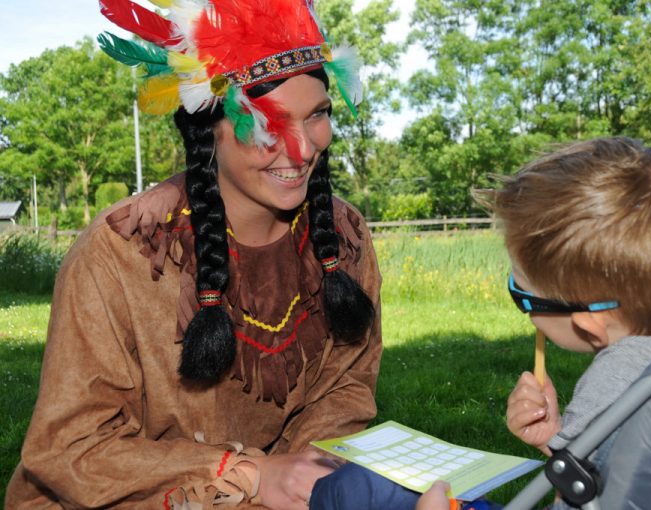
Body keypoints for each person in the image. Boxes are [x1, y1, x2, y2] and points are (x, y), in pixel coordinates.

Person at [5, 0, 382, 508]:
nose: (300, 150)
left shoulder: (343, 236)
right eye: (267, 122)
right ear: (209, 129)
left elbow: (347, 386)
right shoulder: (121, 252)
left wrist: (304, 473)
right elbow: (71, 449)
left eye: (316, 116)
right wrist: (246, 473)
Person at [414, 136, 651, 509]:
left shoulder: (611, 386)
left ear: (588, 324)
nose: (521, 307)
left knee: (363, 490)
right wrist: (557, 439)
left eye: (521, 295)